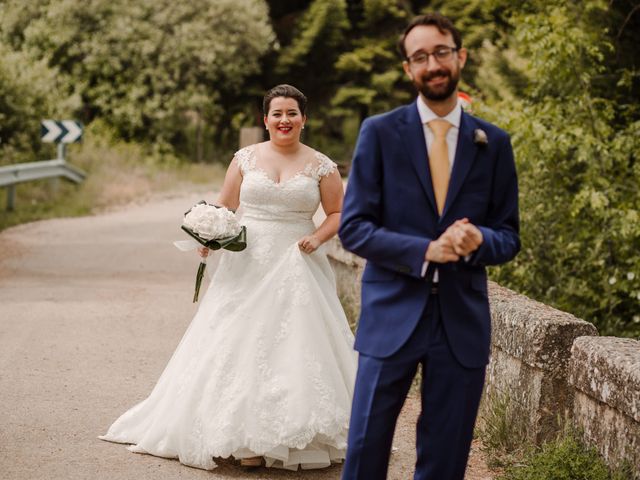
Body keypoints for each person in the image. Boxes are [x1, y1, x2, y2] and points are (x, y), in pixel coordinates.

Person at [99, 84, 357, 471]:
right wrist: (211, 234)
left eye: (292, 113)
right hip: (247, 262)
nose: (284, 120)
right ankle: (241, 438)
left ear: (304, 119)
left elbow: (337, 214)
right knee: (237, 341)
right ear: (265, 119)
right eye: (277, 114)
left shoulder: (322, 165)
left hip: (296, 263)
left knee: (292, 344)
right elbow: (227, 204)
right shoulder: (245, 159)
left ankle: (287, 435)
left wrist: (317, 237)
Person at [338, 13, 520, 480]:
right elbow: (354, 228)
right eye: (420, 57)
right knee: (364, 449)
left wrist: (480, 240)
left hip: (461, 323)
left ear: (460, 57)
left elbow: (509, 235)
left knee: (446, 457)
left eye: (441, 52)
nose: (432, 64)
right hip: (390, 315)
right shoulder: (378, 133)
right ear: (408, 69)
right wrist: (425, 251)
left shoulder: (493, 143)